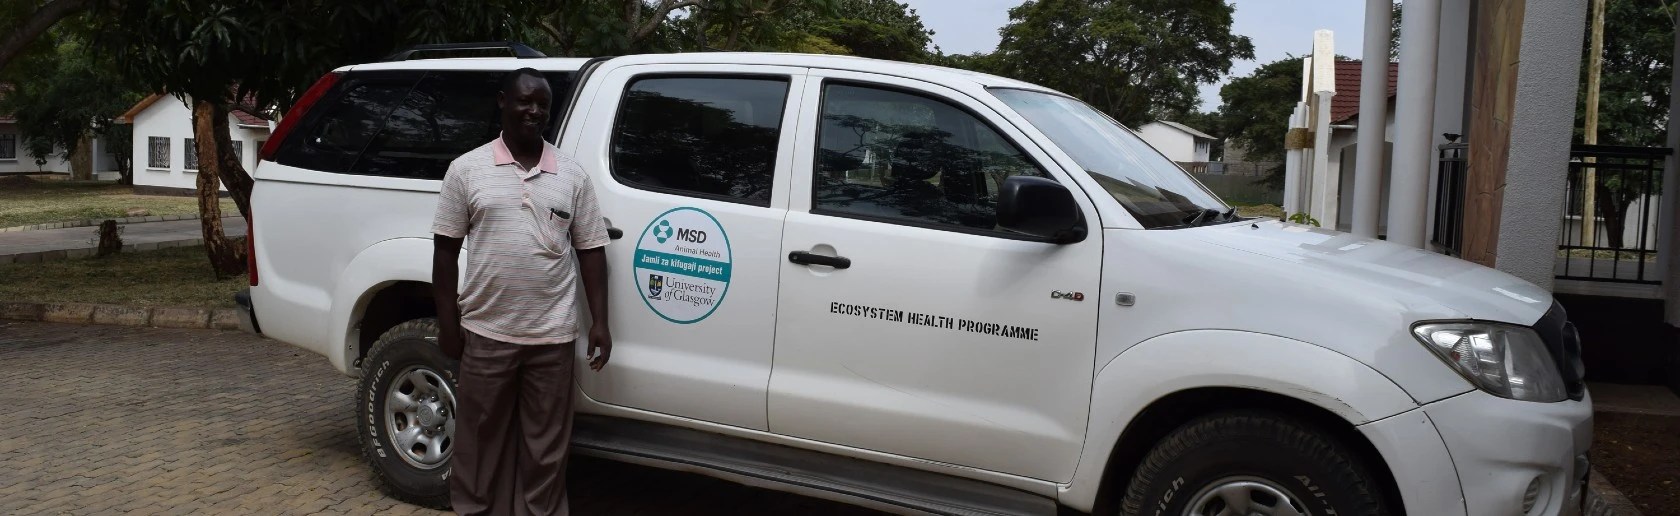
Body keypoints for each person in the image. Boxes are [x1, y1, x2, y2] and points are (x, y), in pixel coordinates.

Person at [430, 67, 612, 516]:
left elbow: (591, 251)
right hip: (488, 333)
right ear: (502, 102)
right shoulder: (466, 170)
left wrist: (601, 323)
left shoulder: (571, 175)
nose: (534, 111)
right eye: (524, 101)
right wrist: (448, 326)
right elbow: (444, 252)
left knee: (546, 450)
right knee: (478, 443)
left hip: (551, 338)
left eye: (542, 104)